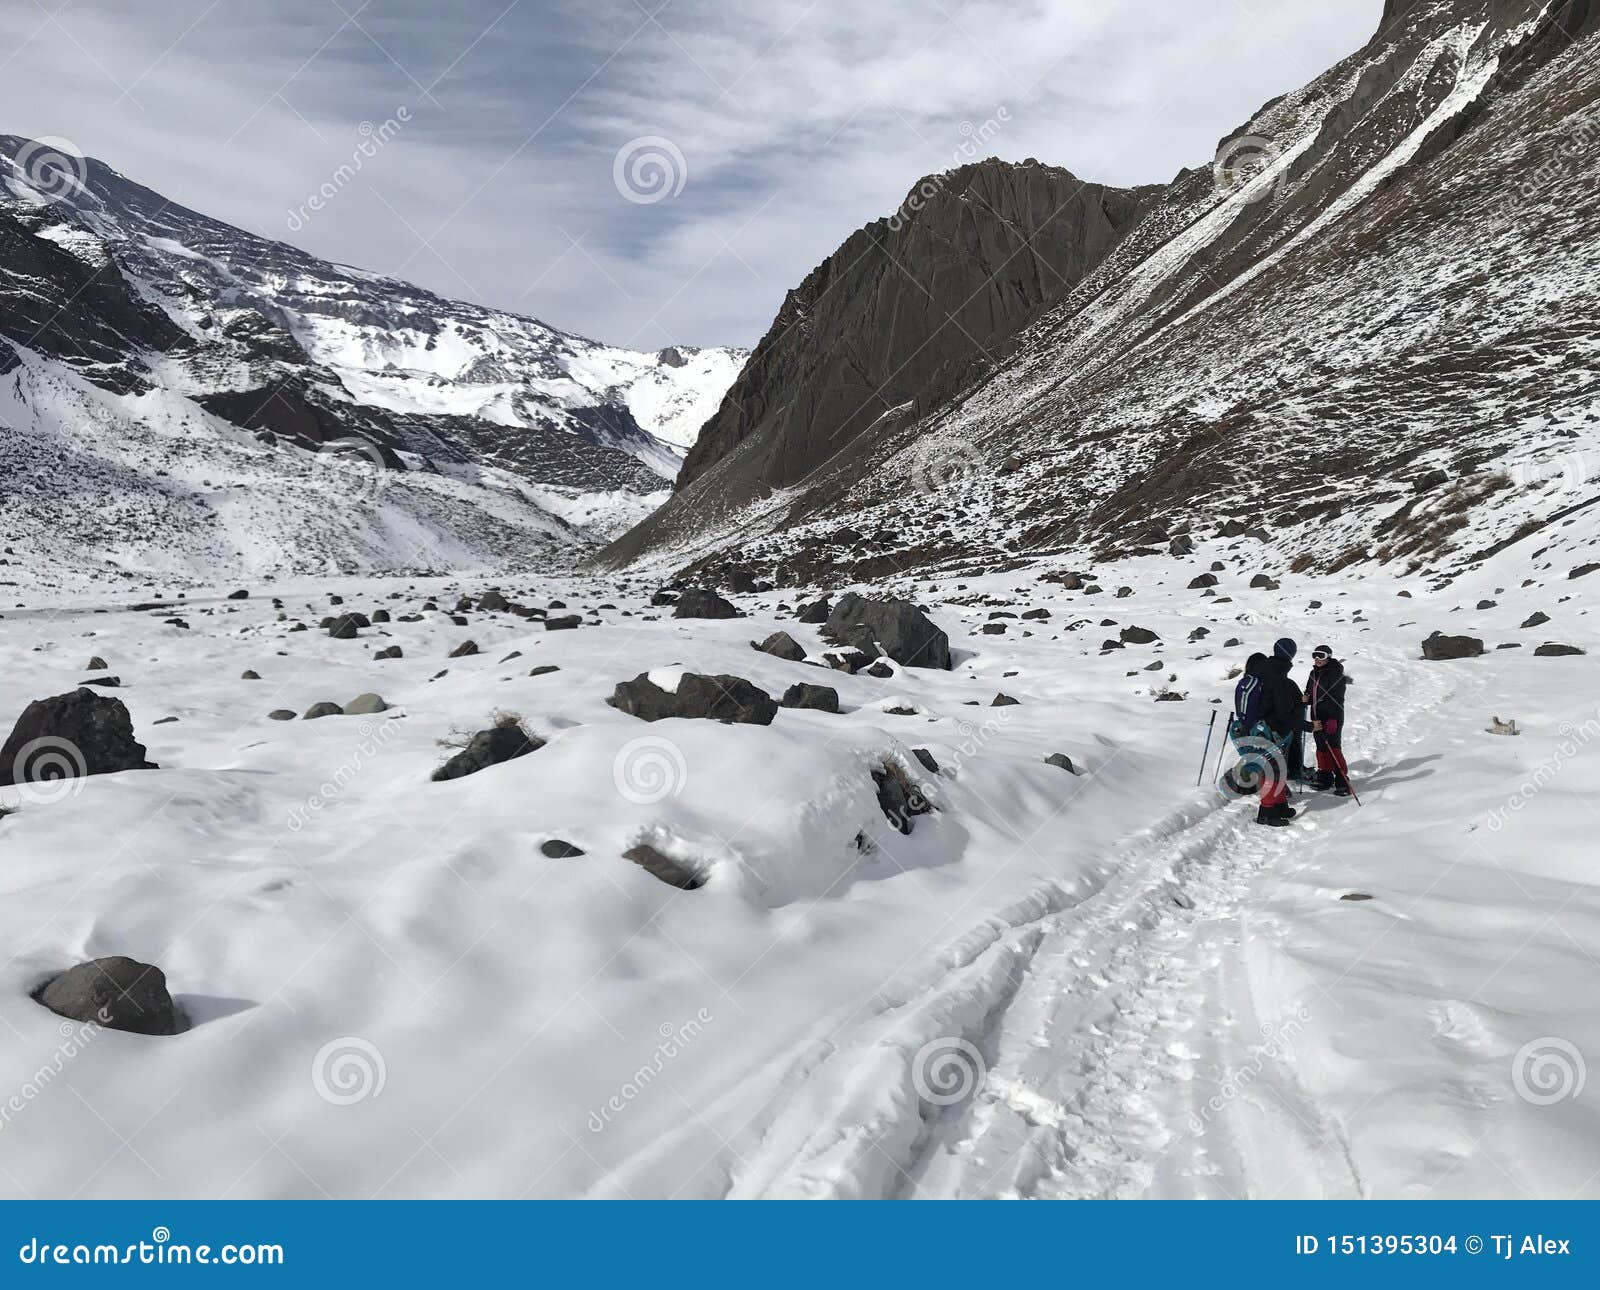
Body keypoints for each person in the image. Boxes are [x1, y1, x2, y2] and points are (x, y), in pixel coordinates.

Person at [1230, 640, 1302, 826]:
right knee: (1272, 771)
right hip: (1270, 731)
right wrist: (1306, 725)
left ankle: (1279, 805)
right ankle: (1267, 813)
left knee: (1277, 769)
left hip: (1259, 729)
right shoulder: (1277, 675)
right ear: (1290, 655)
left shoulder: (1264, 670)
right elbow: (1282, 711)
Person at [1304, 643, 1352, 796]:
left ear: (1329, 657)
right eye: (1315, 655)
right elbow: (1310, 693)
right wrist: (1306, 699)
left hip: (1333, 716)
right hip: (1316, 716)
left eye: (1321, 656)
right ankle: (1325, 777)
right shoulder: (1313, 674)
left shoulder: (1335, 674)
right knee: (1321, 746)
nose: (1317, 659)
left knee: (1333, 746)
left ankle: (1342, 781)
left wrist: (1332, 718)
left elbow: (1337, 699)